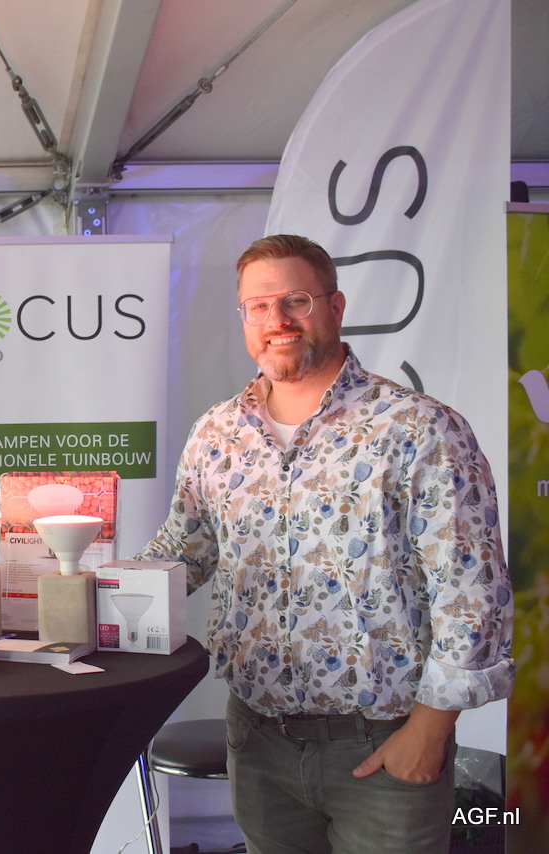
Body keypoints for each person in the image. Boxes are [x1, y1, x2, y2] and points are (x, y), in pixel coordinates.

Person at [137, 234, 513, 854]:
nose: (277, 320)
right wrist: (85, 586)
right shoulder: (218, 434)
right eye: (259, 306)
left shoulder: (417, 427)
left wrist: (430, 730)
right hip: (258, 740)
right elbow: (187, 548)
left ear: (335, 306)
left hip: (384, 745)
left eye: (296, 301)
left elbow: (470, 589)